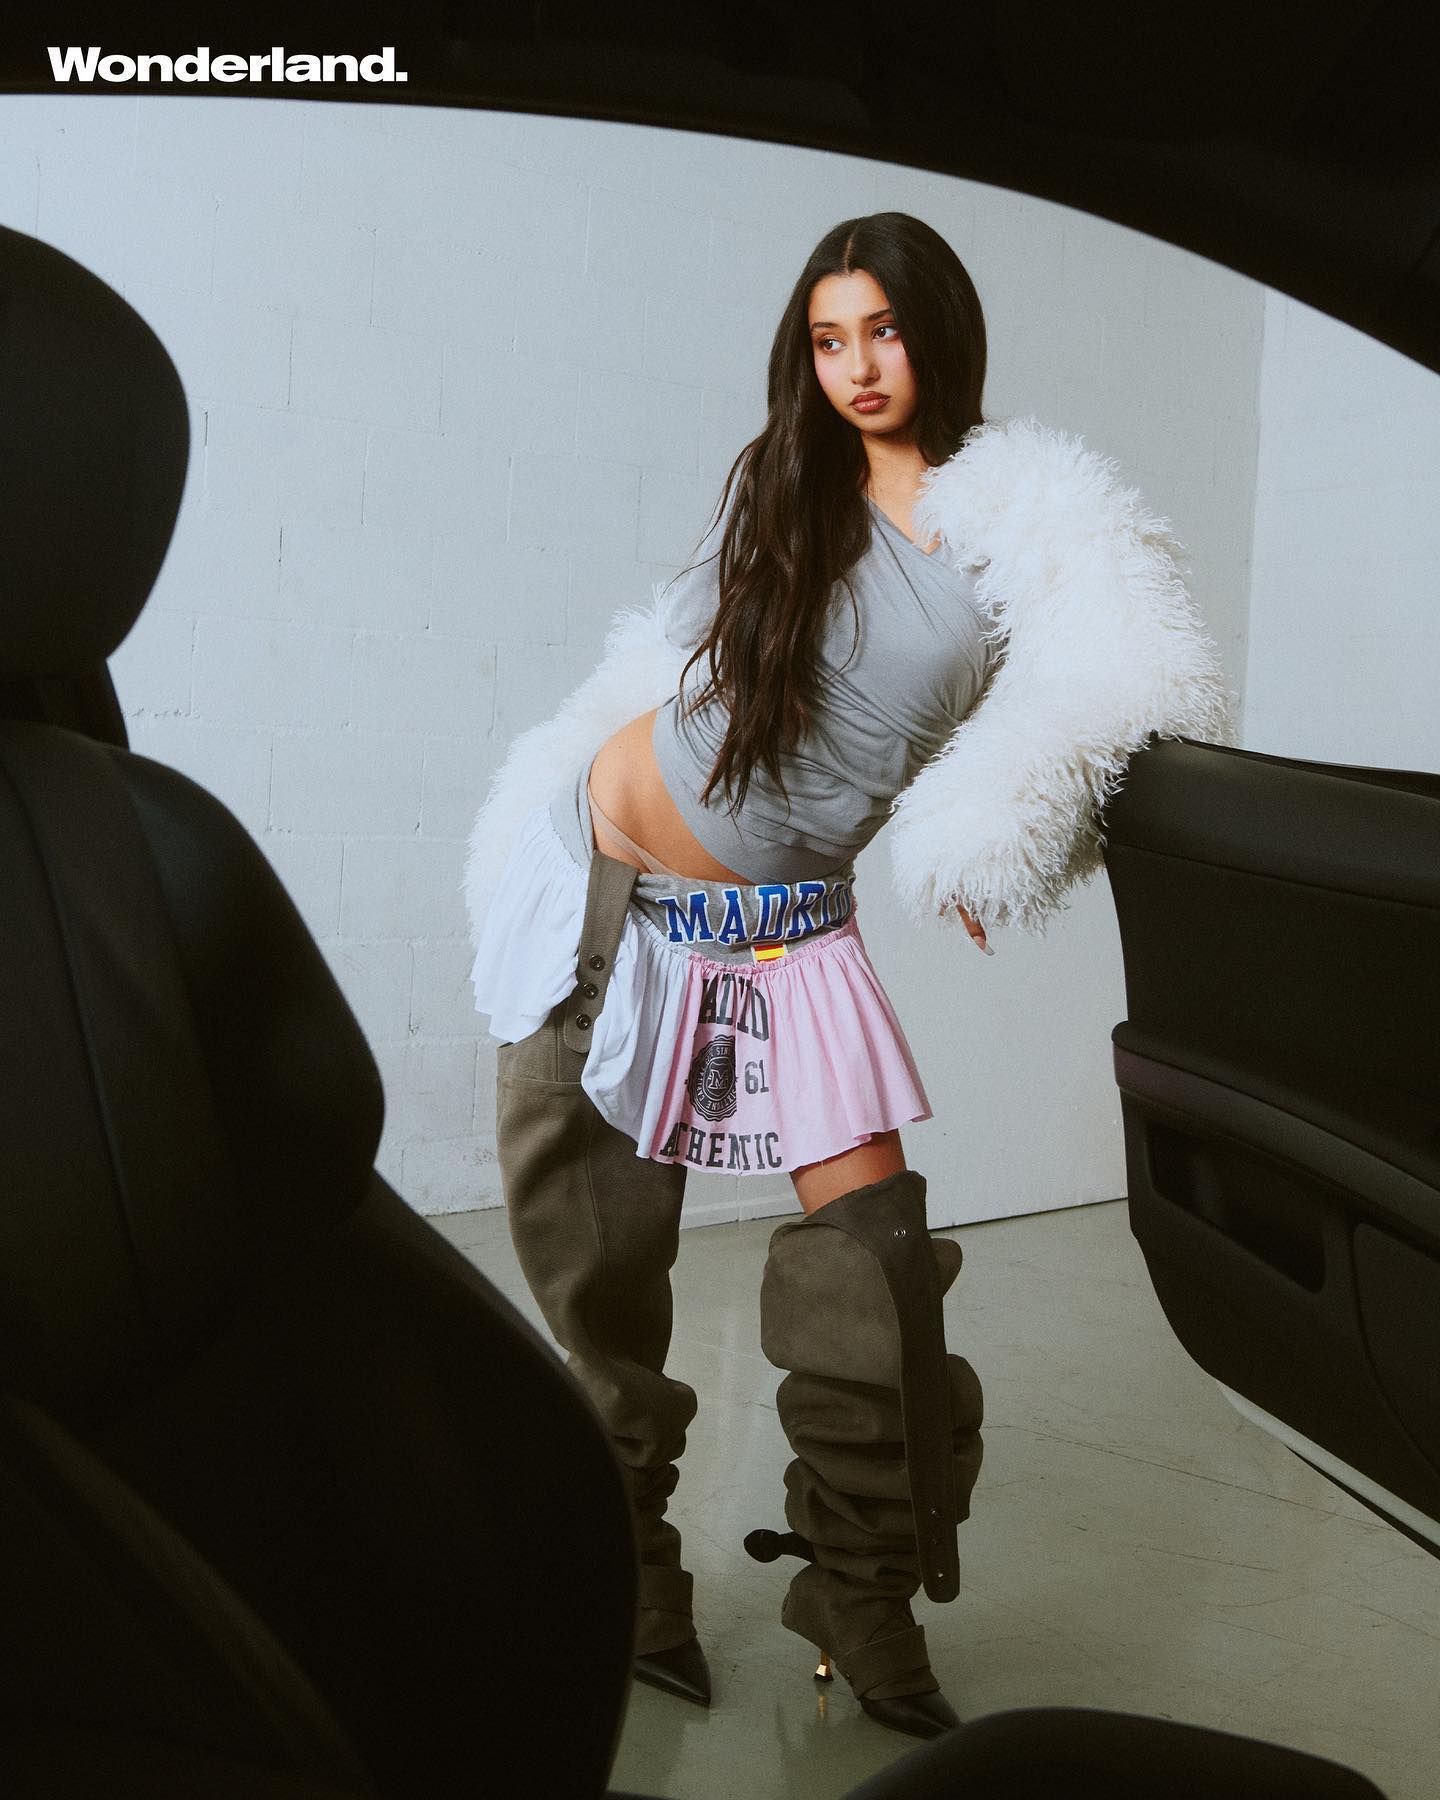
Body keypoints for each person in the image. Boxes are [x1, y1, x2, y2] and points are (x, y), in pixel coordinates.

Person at [464, 211, 1229, 1742]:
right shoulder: (785, 478)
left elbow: (1116, 693)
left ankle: (858, 1590)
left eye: (881, 331)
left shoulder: (1027, 518)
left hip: (789, 926)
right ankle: (630, 1565)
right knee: (599, 1263)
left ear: (937, 332)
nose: (858, 368)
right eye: (828, 340)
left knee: (875, 1278)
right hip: (609, 884)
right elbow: (675, 662)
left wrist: (1003, 829)